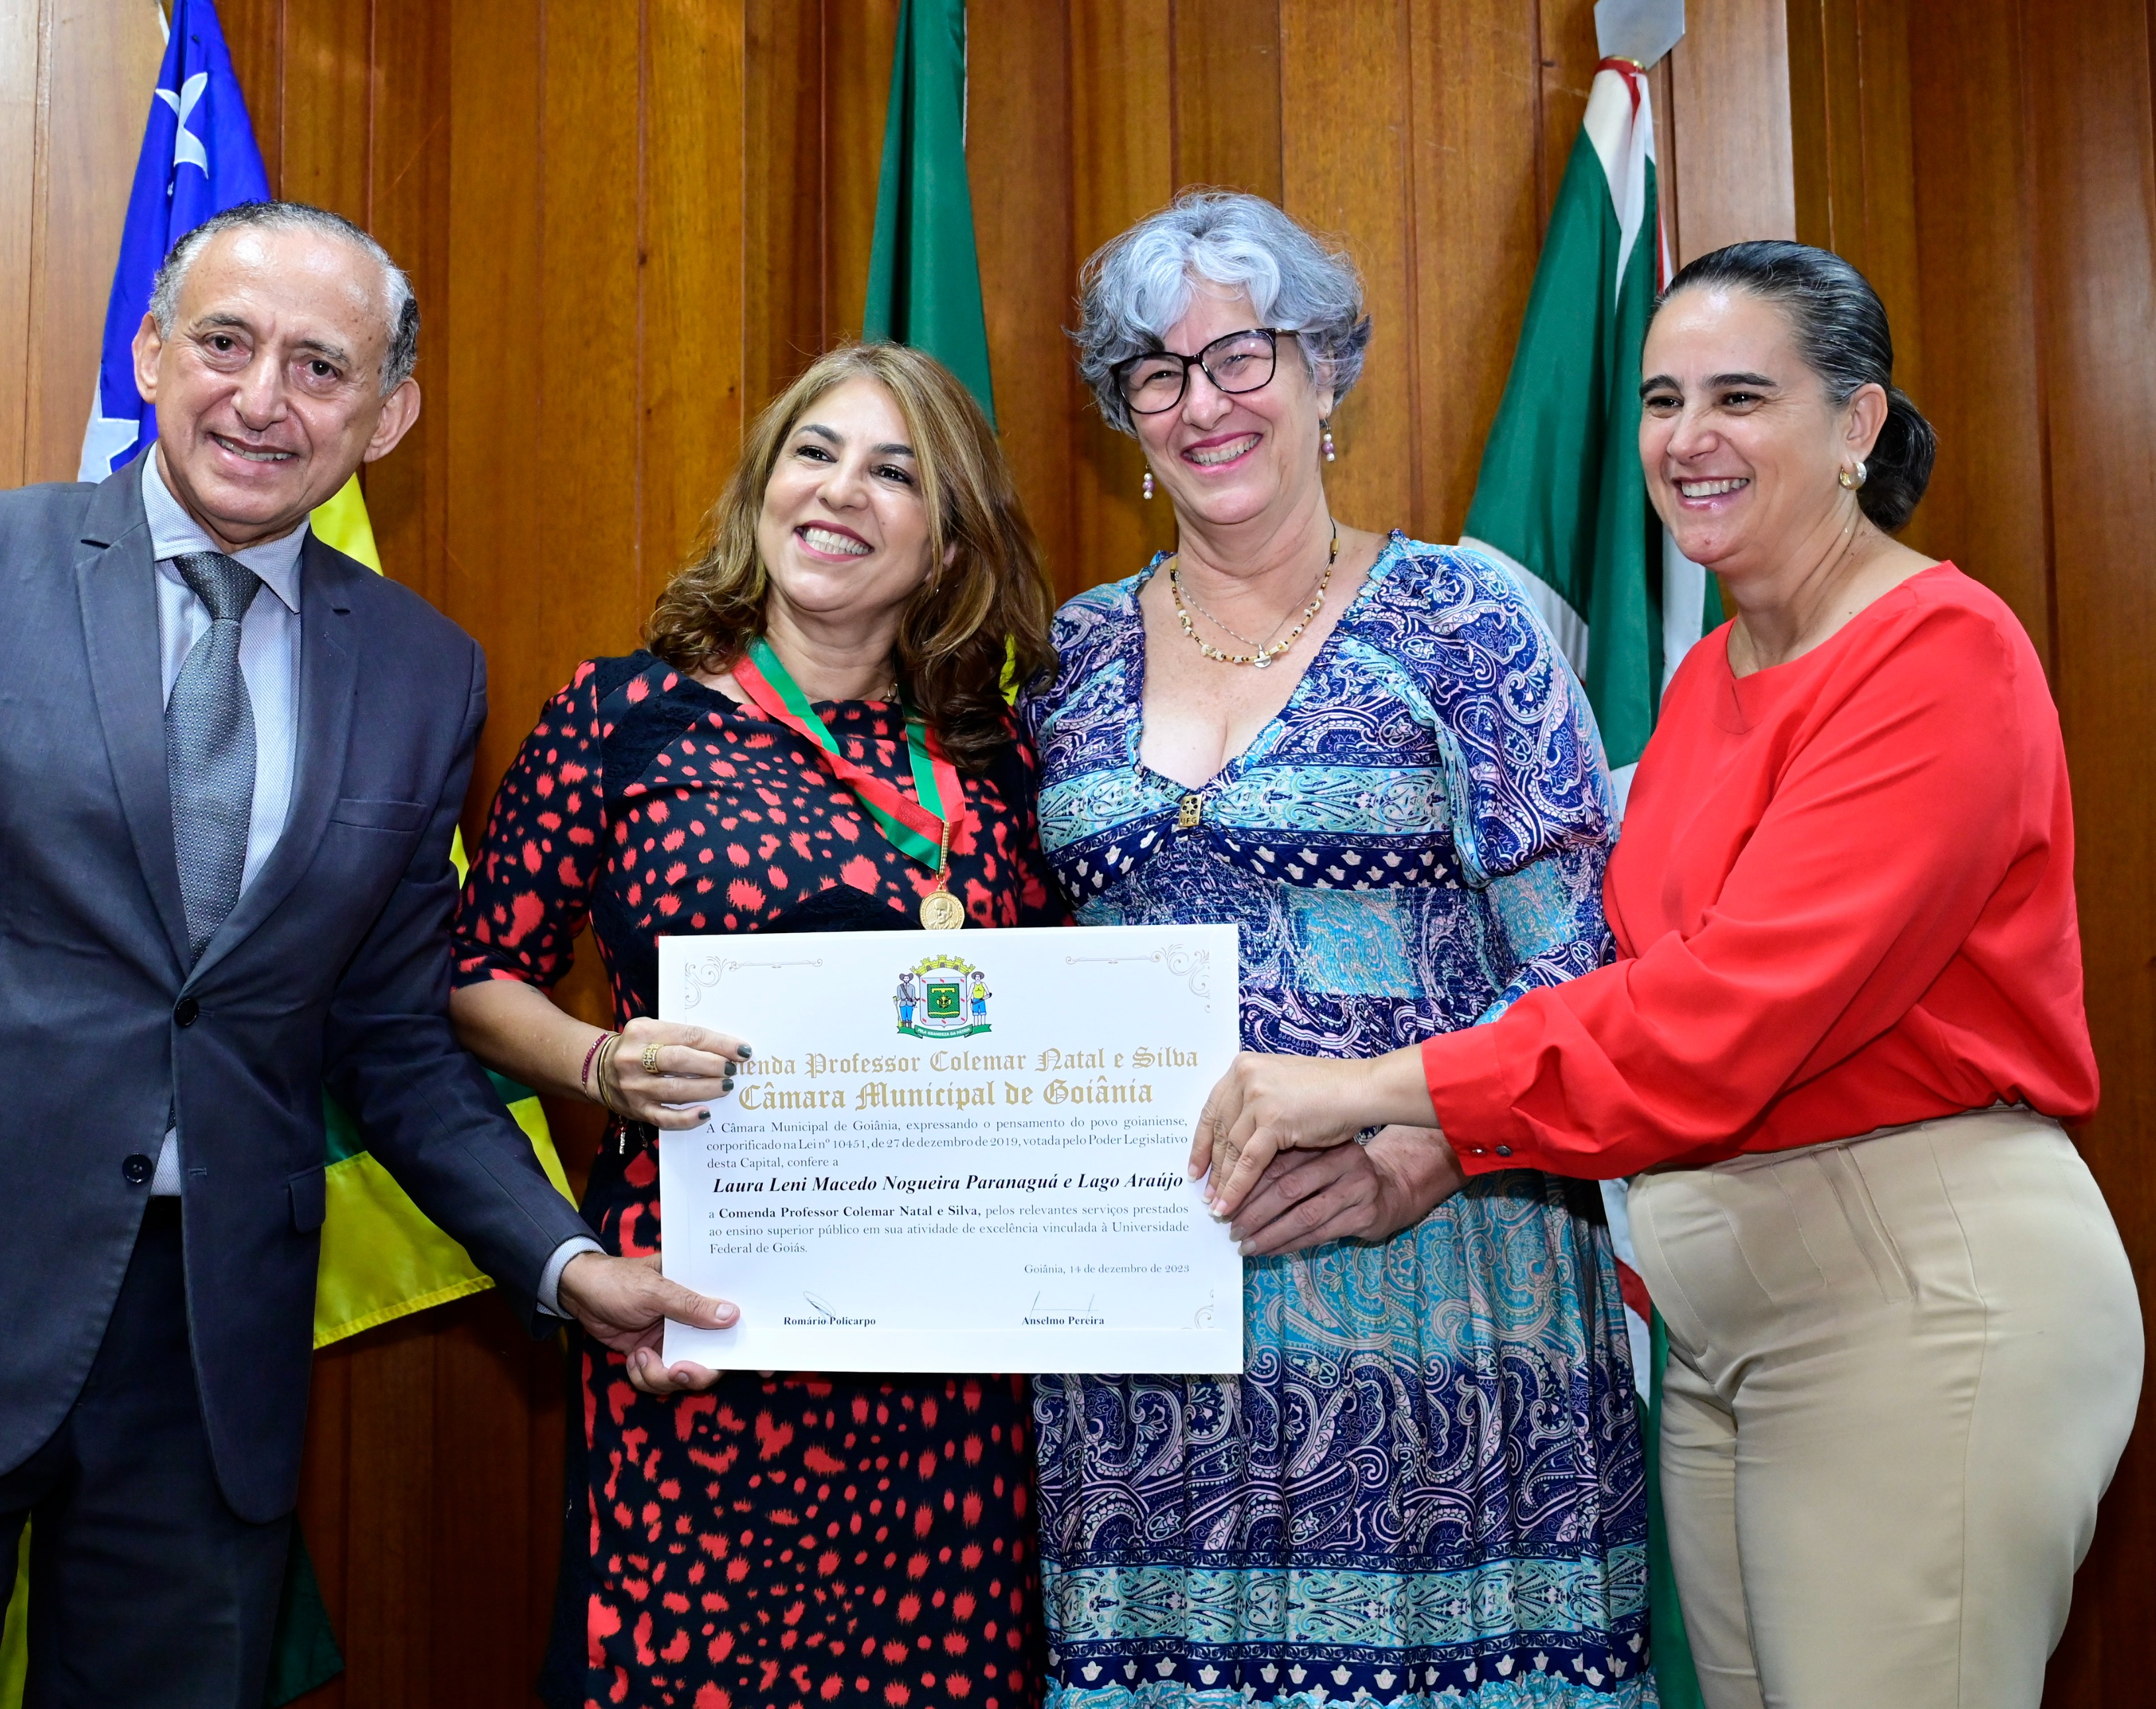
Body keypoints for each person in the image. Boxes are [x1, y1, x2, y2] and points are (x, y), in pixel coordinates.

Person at [0, 199, 718, 1709]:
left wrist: (566, 1265)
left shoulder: (425, 671)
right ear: (152, 352)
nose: (261, 399)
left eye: (321, 367)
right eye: (226, 343)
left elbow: (391, 1039)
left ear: (387, 416)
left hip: (211, 1355)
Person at [1191, 239, 2143, 1709]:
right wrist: (1442, 1149)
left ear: (1857, 424)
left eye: (1740, 397)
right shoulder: (1710, 677)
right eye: (1661, 400)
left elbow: (1718, 1020)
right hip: (1722, 1330)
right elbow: (1626, 983)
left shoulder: (1939, 653)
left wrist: (1368, 1088)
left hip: (1913, 1297)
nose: (1688, 438)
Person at [1022, 190, 1650, 1704]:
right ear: (1126, 419)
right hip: (1144, 1324)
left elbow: (1585, 960)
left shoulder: (1464, 622)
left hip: (1448, 1296)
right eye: (1157, 373)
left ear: (1324, 375)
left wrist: (1416, 1156)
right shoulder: (1063, 658)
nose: (1204, 403)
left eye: (1242, 355)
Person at [451, 343, 1065, 1709]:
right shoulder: (621, 716)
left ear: (946, 538)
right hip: (698, 1327)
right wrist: (601, 1061)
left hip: (955, 1361)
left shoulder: (1004, 754)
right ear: (763, 488)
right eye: (814, 453)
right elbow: (480, 975)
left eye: (894, 472)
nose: (839, 491)